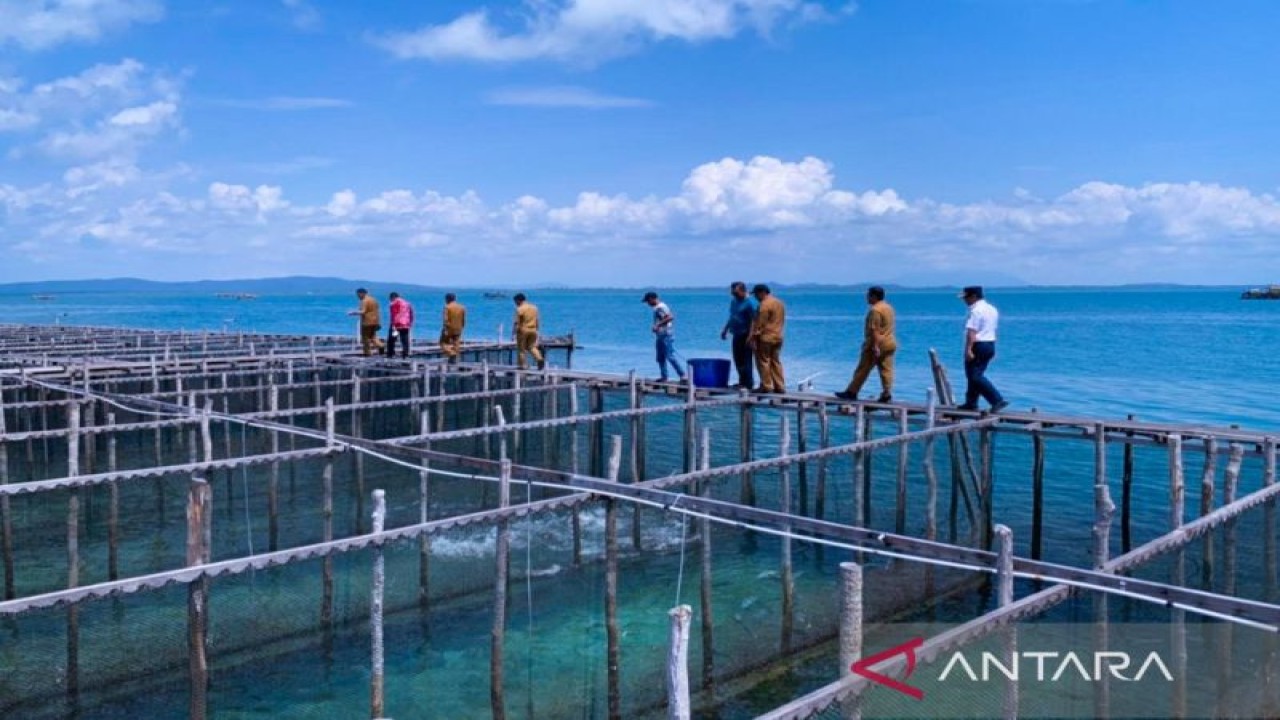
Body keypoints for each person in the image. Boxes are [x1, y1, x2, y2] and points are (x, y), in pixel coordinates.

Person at [836, 286, 897, 402]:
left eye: (868, 295)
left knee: (863, 368)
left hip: (877, 343)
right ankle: (887, 393)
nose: (866, 297)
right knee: (886, 370)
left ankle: (852, 392)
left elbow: (875, 330)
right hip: (890, 342)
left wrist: (875, 346)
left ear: (874, 296)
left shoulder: (875, 310)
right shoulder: (889, 308)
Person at [958, 285, 1008, 412]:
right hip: (990, 343)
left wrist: (968, 349)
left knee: (974, 376)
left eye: (966, 297)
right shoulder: (992, 309)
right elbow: (992, 329)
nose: (965, 300)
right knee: (974, 375)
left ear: (974, 296)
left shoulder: (976, 311)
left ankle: (997, 400)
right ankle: (971, 403)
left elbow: (972, 332)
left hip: (978, 344)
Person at [720, 281, 757, 388]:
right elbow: (732, 316)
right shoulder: (734, 301)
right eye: (732, 293)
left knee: (746, 359)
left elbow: (754, 321)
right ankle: (742, 381)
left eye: (736, 293)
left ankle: (748, 383)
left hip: (746, 334)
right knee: (738, 358)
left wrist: (751, 336)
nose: (734, 295)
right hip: (736, 333)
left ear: (743, 291)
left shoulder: (750, 303)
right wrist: (725, 329)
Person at [749, 284, 786, 393]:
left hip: (766, 337)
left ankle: (766, 385)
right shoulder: (779, 303)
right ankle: (780, 386)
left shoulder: (764, 305)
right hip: (778, 336)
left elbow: (760, 324)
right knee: (776, 361)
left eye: (756, 294)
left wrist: (753, 338)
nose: (755, 297)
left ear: (762, 293)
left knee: (763, 361)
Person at [643, 291, 686, 382]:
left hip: (666, 335)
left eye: (648, 301)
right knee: (660, 357)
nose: (648, 304)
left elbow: (670, 317)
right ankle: (664, 376)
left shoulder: (660, 307)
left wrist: (657, 325)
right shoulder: (658, 308)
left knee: (669, 356)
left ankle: (682, 375)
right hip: (660, 335)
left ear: (652, 299)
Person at [347, 288, 384, 357]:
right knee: (373, 337)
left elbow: (363, 311)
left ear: (362, 293)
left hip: (367, 322)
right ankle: (381, 346)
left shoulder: (364, 301)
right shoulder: (374, 300)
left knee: (365, 338)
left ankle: (367, 353)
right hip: (375, 321)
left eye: (358, 295)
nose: (358, 297)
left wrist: (353, 312)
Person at [512, 293, 544, 370]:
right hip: (533, 329)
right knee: (531, 347)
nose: (515, 303)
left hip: (523, 330)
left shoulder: (519, 309)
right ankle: (539, 359)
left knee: (521, 349)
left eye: (515, 301)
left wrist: (513, 333)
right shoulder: (534, 308)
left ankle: (522, 365)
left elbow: (516, 322)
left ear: (519, 300)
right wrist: (537, 330)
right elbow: (537, 320)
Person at [385, 291, 414, 359]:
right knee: (404, 340)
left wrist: (393, 324)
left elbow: (393, 314)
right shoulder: (407, 303)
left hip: (397, 325)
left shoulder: (394, 303)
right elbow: (411, 314)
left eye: (390, 299)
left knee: (392, 339)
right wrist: (410, 323)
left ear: (393, 297)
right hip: (405, 325)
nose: (390, 300)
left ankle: (390, 354)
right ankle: (405, 354)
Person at [439, 293, 467, 362]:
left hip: (449, 328)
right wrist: (462, 326)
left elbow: (445, 319)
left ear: (448, 299)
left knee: (443, 342)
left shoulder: (447, 307)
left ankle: (452, 353)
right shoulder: (462, 307)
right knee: (456, 343)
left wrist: (445, 328)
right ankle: (455, 359)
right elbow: (464, 319)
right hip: (458, 327)